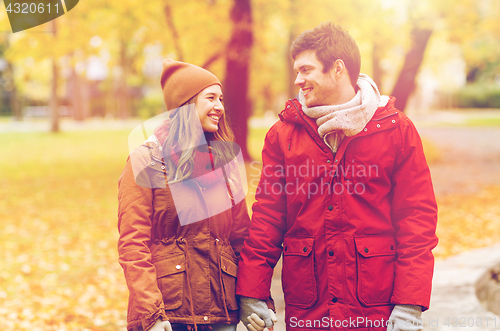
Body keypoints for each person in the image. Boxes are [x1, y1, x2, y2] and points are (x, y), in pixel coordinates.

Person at [236, 22, 438, 331]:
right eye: (297, 71)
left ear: (338, 69)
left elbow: (417, 218)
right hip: (308, 307)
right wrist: (252, 292)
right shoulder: (283, 134)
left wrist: (409, 303)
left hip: (375, 307)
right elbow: (268, 217)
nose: (298, 80)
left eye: (306, 70)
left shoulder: (396, 130)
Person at [118, 59, 253, 331]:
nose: (220, 107)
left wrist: (254, 299)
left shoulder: (224, 164)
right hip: (170, 316)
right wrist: (151, 314)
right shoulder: (146, 161)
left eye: (222, 99)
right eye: (211, 98)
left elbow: (241, 240)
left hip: (221, 313)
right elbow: (133, 245)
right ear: (187, 104)